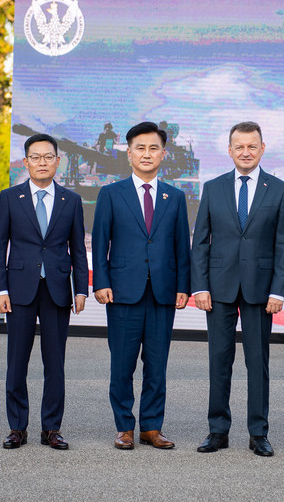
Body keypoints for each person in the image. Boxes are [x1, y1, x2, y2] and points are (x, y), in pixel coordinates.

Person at [191, 121, 284, 457]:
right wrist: (200, 286)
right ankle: (217, 430)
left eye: (252, 146)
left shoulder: (279, 190)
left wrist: (279, 291)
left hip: (261, 292)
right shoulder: (213, 187)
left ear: (262, 148)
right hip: (218, 290)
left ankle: (258, 432)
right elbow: (201, 243)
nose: (246, 152)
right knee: (218, 362)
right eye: (239, 146)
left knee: (257, 363)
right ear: (230, 149)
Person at [91, 121, 191, 450]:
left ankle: (151, 426)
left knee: (157, 364)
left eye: (153, 148)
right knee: (122, 364)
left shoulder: (174, 197)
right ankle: (124, 427)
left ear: (163, 154)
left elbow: (181, 246)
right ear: (130, 153)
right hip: (122, 292)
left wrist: (183, 286)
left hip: (162, 292)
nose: (146, 154)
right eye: (140, 148)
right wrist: (100, 282)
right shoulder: (110, 194)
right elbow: (101, 242)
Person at [0, 133, 89, 450]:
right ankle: (17, 427)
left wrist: (81, 289)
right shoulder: (9, 198)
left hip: (58, 291)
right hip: (18, 291)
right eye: (36, 157)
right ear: (26, 161)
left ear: (58, 161)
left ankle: (52, 428)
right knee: (16, 362)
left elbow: (78, 250)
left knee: (54, 363)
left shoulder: (71, 201)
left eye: (49, 157)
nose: (42, 162)